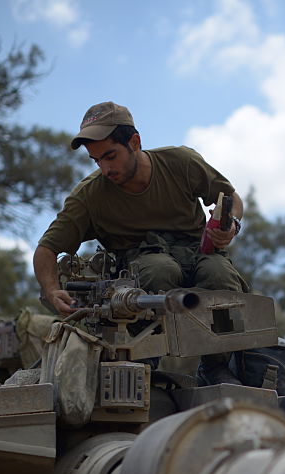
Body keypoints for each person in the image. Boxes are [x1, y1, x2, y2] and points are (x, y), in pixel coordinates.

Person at [33, 101, 247, 384]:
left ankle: (216, 365)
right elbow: (46, 249)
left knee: (219, 274)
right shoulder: (90, 196)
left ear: (135, 142)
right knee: (159, 270)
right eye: (97, 160)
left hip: (198, 253)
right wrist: (51, 290)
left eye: (110, 156)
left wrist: (230, 224)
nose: (105, 169)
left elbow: (230, 198)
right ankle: (144, 364)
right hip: (138, 266)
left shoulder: (180, 163)